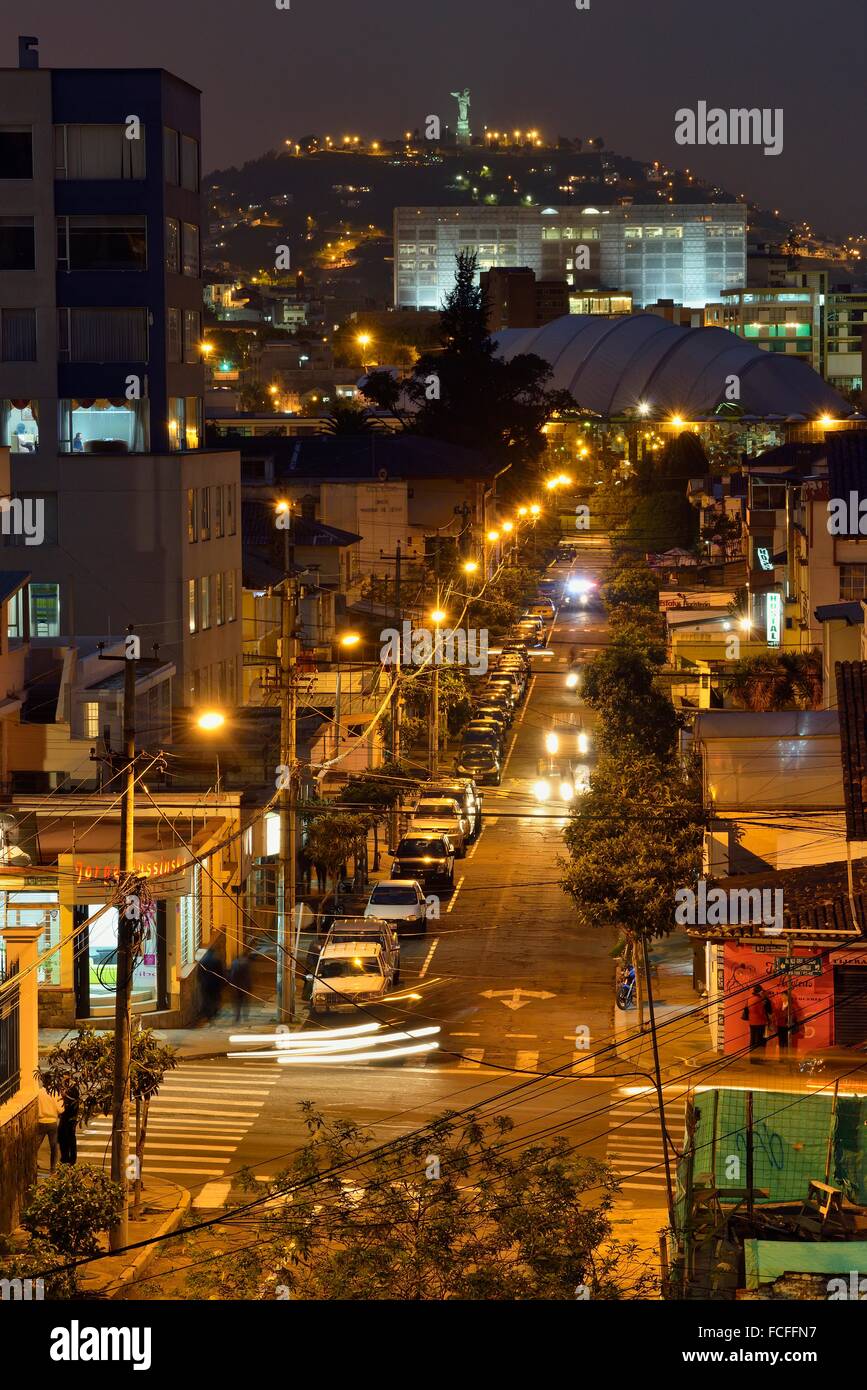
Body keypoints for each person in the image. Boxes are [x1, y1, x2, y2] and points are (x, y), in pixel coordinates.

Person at [198, 941, 225, 1023]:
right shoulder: (216, 961)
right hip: (215, 983)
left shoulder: (203, 961)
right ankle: (214, 1011)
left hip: (205, 983)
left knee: (207, 998)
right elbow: (221, 973)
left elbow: (199, 973)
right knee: (215, 998)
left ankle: (208, 1014)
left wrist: (200, 981)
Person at [36, 1078, 60, 1172]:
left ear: (43, 1081)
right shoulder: (55, 1093)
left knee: (36, 1146)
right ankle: (53, 1168)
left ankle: (33, 1164)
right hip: (52, 1122)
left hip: (41, 1121)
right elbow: (60, 1109)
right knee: (54, 1147)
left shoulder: (38, 1092)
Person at [745, 985, 771, 1061]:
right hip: (759, 1022)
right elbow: (761, 1012)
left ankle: (752, 1058)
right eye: (762, 991)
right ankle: (758, 1058)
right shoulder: (758, 999)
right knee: (759, 1041)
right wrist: (767, 1019)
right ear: (759, 991)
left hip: (752, 1022)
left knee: (752, 1040)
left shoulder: (750, 998)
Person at [57, 1078, 79, 1165]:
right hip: (70, 1118)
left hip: (68, 1118)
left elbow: (68, 1105)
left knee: (66, 1138)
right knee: (69, 1139)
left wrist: (64, 1096)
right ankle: (69, 1159)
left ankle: (67, 1159)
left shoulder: (71, 1091)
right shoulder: (73, 1090)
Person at [227, 950, 252, 1024]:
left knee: (237, 1002)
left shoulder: (234, 962)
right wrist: (249, 985)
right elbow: (248, 976)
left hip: (236, 986)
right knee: (245, 1002)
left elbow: (232, 975)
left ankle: (237, 1017)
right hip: (244, 986)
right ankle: (245, 1017)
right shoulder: (247, 963)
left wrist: (231, 984)